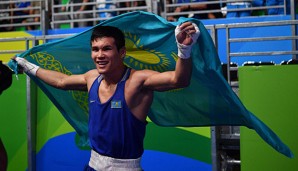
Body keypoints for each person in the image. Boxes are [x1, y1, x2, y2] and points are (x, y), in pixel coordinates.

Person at [13, 22, 200, 170]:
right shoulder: (92, 77)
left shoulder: (137, 80)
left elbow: (178, 80)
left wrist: (184, 50)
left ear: (122, 52)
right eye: (95, 49)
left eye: (106, 49)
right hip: (93, 165)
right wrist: (29, 67)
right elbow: (61, 81)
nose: (99, 55)